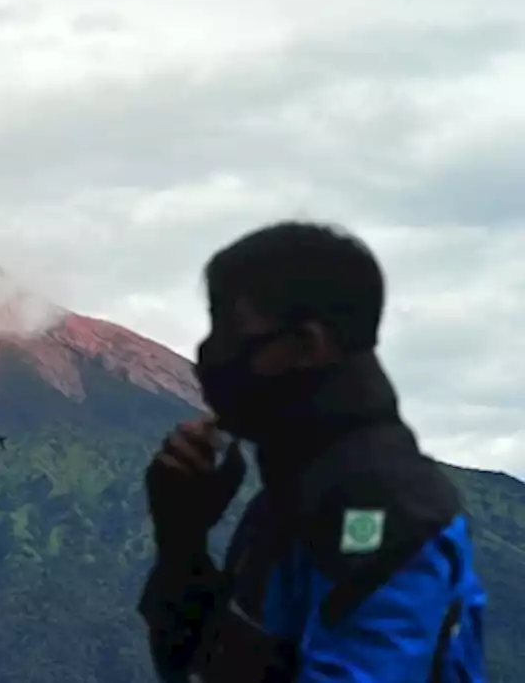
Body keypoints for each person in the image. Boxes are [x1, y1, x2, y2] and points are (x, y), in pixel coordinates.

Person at [138, 221, 486, 682]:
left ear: (306, 345)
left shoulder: (383, 509)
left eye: (230, 330)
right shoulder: (298, 493)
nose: (209, 353)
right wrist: (181, 540)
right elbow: (203, 666)